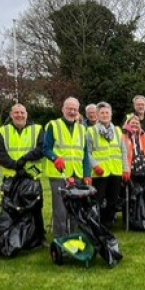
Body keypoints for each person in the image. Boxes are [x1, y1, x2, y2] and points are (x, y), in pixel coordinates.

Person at [0, 102, 46, 242]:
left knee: (35, 208)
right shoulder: (2, 131)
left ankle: (39, 237)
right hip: (11, 176)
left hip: (31, 175)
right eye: (16, 113)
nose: (19, 115)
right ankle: (12, 238)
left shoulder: (37, 129)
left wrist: (24, 159)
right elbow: (1, 154)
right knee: (11, 208)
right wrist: (16, 166)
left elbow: (42, 149)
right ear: (11, 115)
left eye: (22, 112)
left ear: (27, 114)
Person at [43, 96, 93, 238]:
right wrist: (54, 158)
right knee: (60, 210)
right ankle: (61, 240)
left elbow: (85, 155)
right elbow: (45, 148)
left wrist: (87, 174)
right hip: (59, 175)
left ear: (78, 111)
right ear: (63, 109)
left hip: (76, 174)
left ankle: (75, 237)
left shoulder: (82, 129)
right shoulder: (53, 125)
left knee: (76, 209)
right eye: (69, 109)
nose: (72, 112)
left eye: (75, 109)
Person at [87, 102, 128, 229]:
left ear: (111, 114)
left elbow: (123, 150)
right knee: (98, 200)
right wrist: (94, 165)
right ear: (97, 115)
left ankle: (108, 223)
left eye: (107, 113)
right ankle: (97, 224)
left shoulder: (117, 130)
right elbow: (87, 152)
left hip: (115, 171)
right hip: (99, 172)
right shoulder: (91, 131)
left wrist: (125, 168)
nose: (105, 115)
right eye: (102, 113)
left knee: (113, 200)